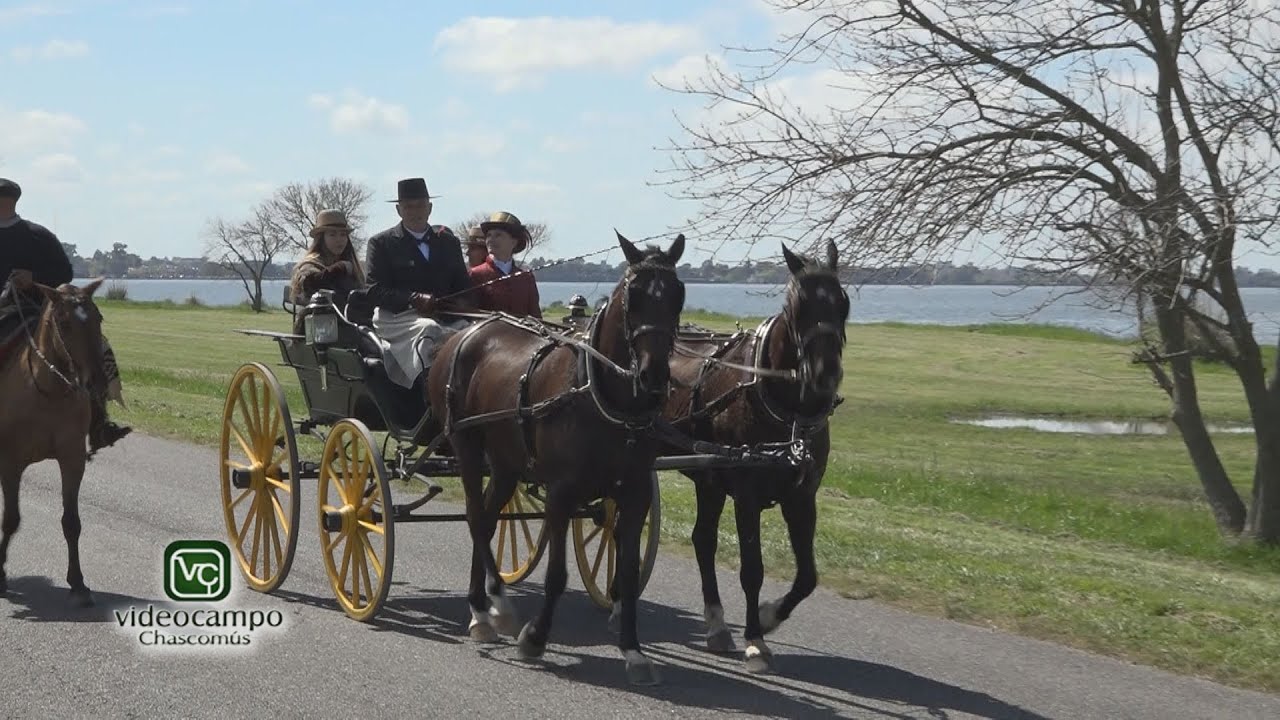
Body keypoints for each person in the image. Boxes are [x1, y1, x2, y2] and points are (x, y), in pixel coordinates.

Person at [0, 177, 131, 455]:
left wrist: (33, 279)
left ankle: (99, 424)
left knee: (96, 348)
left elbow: (65, 274)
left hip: (40, 312)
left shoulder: (38, 235)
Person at [363, 178, 474, 389]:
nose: (415, 212)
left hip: (444, 316)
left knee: (472, 333)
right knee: (429, 330)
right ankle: (429, 394)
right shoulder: (381, 243)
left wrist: (463, 304)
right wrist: (413, 299)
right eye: (408, 207)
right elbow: (374, 290)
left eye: (420, 205)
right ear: (398, 209)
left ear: (430, 208)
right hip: (396, 318)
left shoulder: (449, 243)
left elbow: (463, 284)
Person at [289, 208, 366, 334]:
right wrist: (337, 269)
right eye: (332, 234)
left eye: (343, 235)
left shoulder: (354, 267)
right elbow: (310, 282)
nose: (339, 239)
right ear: (321, 238)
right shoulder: (310, 264)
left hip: (352, 327)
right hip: (320, 331)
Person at [468, 211, 542, 320]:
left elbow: (536, 318)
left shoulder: (526, 278)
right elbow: (469, 316)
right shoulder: (475, 274)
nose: (491, 240)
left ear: (513, 242)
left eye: (498, 235)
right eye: (489, 235)